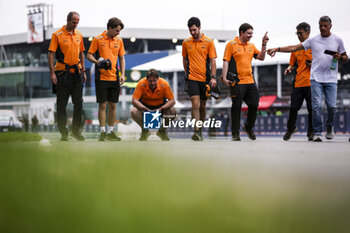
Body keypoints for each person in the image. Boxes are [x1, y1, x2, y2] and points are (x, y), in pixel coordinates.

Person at [267, 16, 348, 142]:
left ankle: (324, 128)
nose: (322, 28)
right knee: (308, 107)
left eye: (325, 26)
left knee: (329, 106)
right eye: (320, 26)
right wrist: (280, 53)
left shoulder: (335, 40)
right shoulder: (310, 42)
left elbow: (345, 57)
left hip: (326, 79)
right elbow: (293, 53)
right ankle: (312, 132)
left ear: (330, 26)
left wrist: (339, 58)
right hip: (310, 80)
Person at [221, 23, 269, 141]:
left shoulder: (251, 46)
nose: (250, 36)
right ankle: (235, 133)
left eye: (252, 33)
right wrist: (224, 77)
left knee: (254, 105)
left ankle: (248, 127)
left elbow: (261, 57)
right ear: (241, 33)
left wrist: (264, 44)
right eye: (248, 33)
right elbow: (226, 61)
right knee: (236, 107)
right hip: (237, 82)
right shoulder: (231, 44)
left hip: (250, 81)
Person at [48, 11, 86, 141]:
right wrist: (52, 73)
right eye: (73, 22)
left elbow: (82, 53)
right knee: (61, 105)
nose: (75, 24)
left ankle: (75, 131)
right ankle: (64, 133)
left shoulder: (79, 35)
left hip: (77, 73)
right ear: (67, 20)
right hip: (62, 73)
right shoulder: (57, 35)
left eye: (77, 22)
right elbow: (51, 54)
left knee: (79, 103)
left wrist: (83, 71)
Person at [87, 17, 125, 141]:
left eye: (119, 31)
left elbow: (122, 58)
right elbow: (89, 55)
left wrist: (122, 74)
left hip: (114, 77)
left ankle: (111, 132)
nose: (118, 33)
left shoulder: (119, 40)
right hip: (101, 77)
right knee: (102, 105)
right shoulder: (98, 39)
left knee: (113, 105)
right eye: (116, 30)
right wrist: (97, 61)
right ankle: (102, 132)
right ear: (109, 28)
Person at [182, 17, 217, 141]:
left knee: (202, 106)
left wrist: (213, 77)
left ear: (200, 27)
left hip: (205, 78)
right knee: (195, 104)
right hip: (192, 78)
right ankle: (196, 131)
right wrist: (187, 75)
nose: (192, 32)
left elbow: (213, 61)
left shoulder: (209, 42)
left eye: (194, 30)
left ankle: (200, 130)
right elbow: (184, 60)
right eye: (190, 30)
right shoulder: (186, 42)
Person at [283, 22, 313, 141]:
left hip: (312, 83)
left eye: (301, 33)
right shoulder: (296, 49)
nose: (299, 36)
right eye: (297, 33)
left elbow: (323, 63)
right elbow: (292, 64)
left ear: (308, 33)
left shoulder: (315, 47)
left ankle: (311, 132)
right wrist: (289, 68)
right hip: (298, 83)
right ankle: (291, 128)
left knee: (312, 109)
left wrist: (313, 64)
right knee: (293, 108)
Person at [131, 69, 176, 141]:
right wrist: (145, 109)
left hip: (160, 107)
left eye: (154, 81)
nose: (152, 83)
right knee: (133, 111)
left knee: (173, 111)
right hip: (145, 108)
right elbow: (134, 101)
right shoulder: (141, 83)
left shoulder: (164, 84)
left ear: (158, 79)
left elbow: (172, 101)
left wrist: (161, 108)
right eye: (150, 81)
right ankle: (145, 130)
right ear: (147, 80)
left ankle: (162, 131)